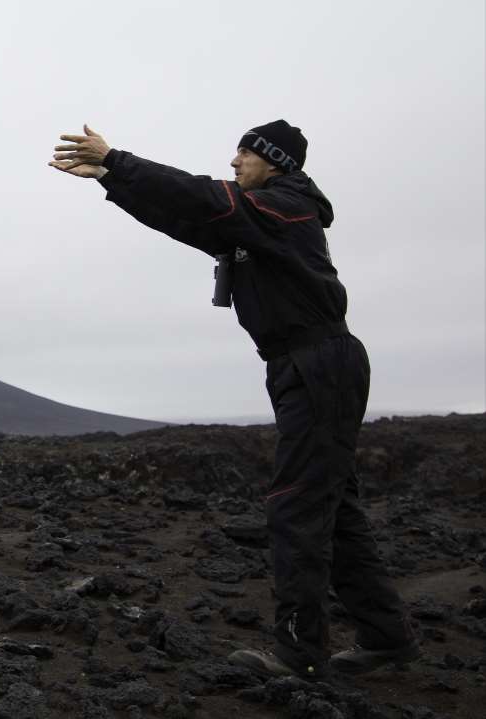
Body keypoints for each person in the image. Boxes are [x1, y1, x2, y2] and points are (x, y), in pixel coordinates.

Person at [49, 120, 419, 679]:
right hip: (304, 365)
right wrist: (111, 179)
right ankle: (387, 640)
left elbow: (206, 198)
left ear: (273, 159)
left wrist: (119, 159)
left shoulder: (287, 206)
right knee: (332, 508)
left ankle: (300, 655)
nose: (234, 161)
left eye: (244, 151)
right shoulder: (259, 220)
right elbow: (188, 220)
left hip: (320, 363)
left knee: (296, 507)